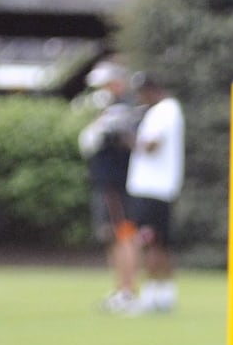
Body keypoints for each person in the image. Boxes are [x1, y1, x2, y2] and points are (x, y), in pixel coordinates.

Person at [107, 70, 184, 316]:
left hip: (150, 189)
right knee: (159, 244)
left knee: (142, 241)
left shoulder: (163, 111)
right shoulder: (169, 110)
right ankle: (161, 294)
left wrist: (127, 139)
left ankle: (143, 295)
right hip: (161, 188)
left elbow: (151, 145)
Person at [77, 59, 143, 312]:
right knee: (113, 236)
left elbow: (94, 140)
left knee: (124, 235)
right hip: (106, 184)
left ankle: (128, 292)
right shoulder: (111, 110)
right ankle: (121, 289)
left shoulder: (122, 111)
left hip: (116, 184)